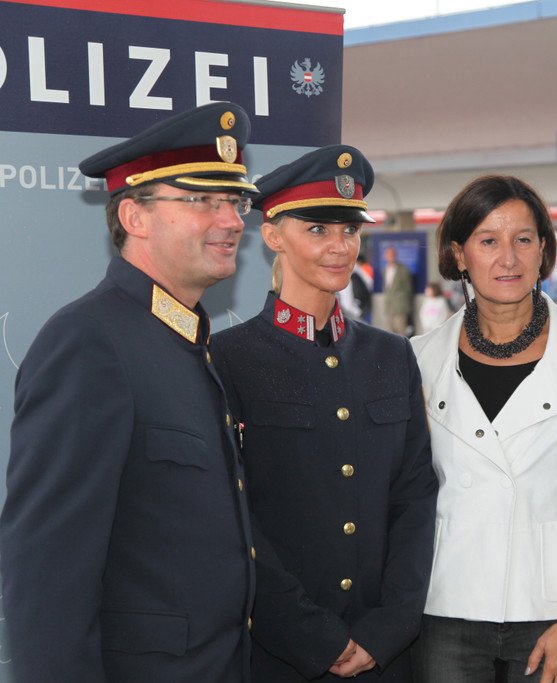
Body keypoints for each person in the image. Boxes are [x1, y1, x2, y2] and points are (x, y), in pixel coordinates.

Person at [0, 102, 258, 682]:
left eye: (235, 201)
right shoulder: (88, 342)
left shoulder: (189, 340)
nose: (232, 220)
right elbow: (47, 574)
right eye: (202, 200)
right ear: (134, 216)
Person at [211, 145, 437, 681]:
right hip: (280, 653)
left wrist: (388, 627)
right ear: (272, 235)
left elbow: (414, 497)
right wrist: (311, 635)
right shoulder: (228, 358)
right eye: (317, 230)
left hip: (384, 653)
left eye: (350, 230)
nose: (340, 247)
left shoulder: (391, 356)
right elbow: (230, 516)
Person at [410, 175, 557, 683]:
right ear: (459, 255)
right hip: (446, 605)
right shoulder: (418, 358)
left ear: (543, 251)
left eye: (523, 239)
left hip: (556, 609)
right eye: (488, 241)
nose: (508, 259)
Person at [383, 244, 415, 335]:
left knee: (401, 333)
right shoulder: (385, 269)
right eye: (389, 255)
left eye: (393, 254)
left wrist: (408, 306)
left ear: (396, 255)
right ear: (385, 256)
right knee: (389, 334)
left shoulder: (403, 269)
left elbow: (408, 289)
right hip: (389, 307)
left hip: (400, 307)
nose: (391, 257)